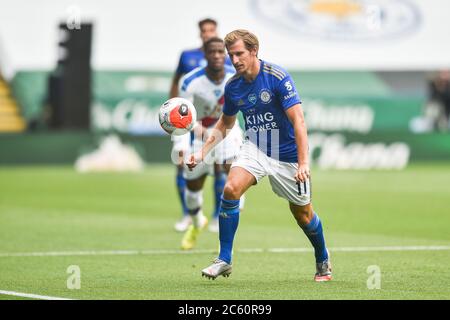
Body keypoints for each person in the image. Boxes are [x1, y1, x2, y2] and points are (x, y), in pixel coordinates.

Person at [186, 29, 332, 282]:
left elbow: (298, 121)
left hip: (287, 154)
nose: (235, 59)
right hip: (256, 147)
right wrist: (201, 153)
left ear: (254, 51)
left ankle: (322, 257)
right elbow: (225, 123)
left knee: (303, 215)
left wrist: (303, 163)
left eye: (239, 53)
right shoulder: (233, 87)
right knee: (230, 189)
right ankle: (224, 259)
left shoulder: (277, 77)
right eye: (231, 55)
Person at [178, 37, 244, 249]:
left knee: (231, 167)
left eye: (220, 51)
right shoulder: (190, 82)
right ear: (205, 55)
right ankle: (197, 221)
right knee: (193, 185)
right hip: (201, 135)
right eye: (212, 52)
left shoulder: (236, 75)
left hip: (229, 131)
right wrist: (181, 144)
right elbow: (182, 116)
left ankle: (236, 198)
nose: (217, 55)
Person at [170, 18, 233, 233]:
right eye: (204, 30)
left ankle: (219, 215)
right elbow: (177, 94)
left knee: (227, 167)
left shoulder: (233, 70)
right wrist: (175, 122)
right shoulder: (188, 65)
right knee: (188, 173)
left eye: (211, 30)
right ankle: (191, 214)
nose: (207, 33)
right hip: (193, 130)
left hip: (222, 129)